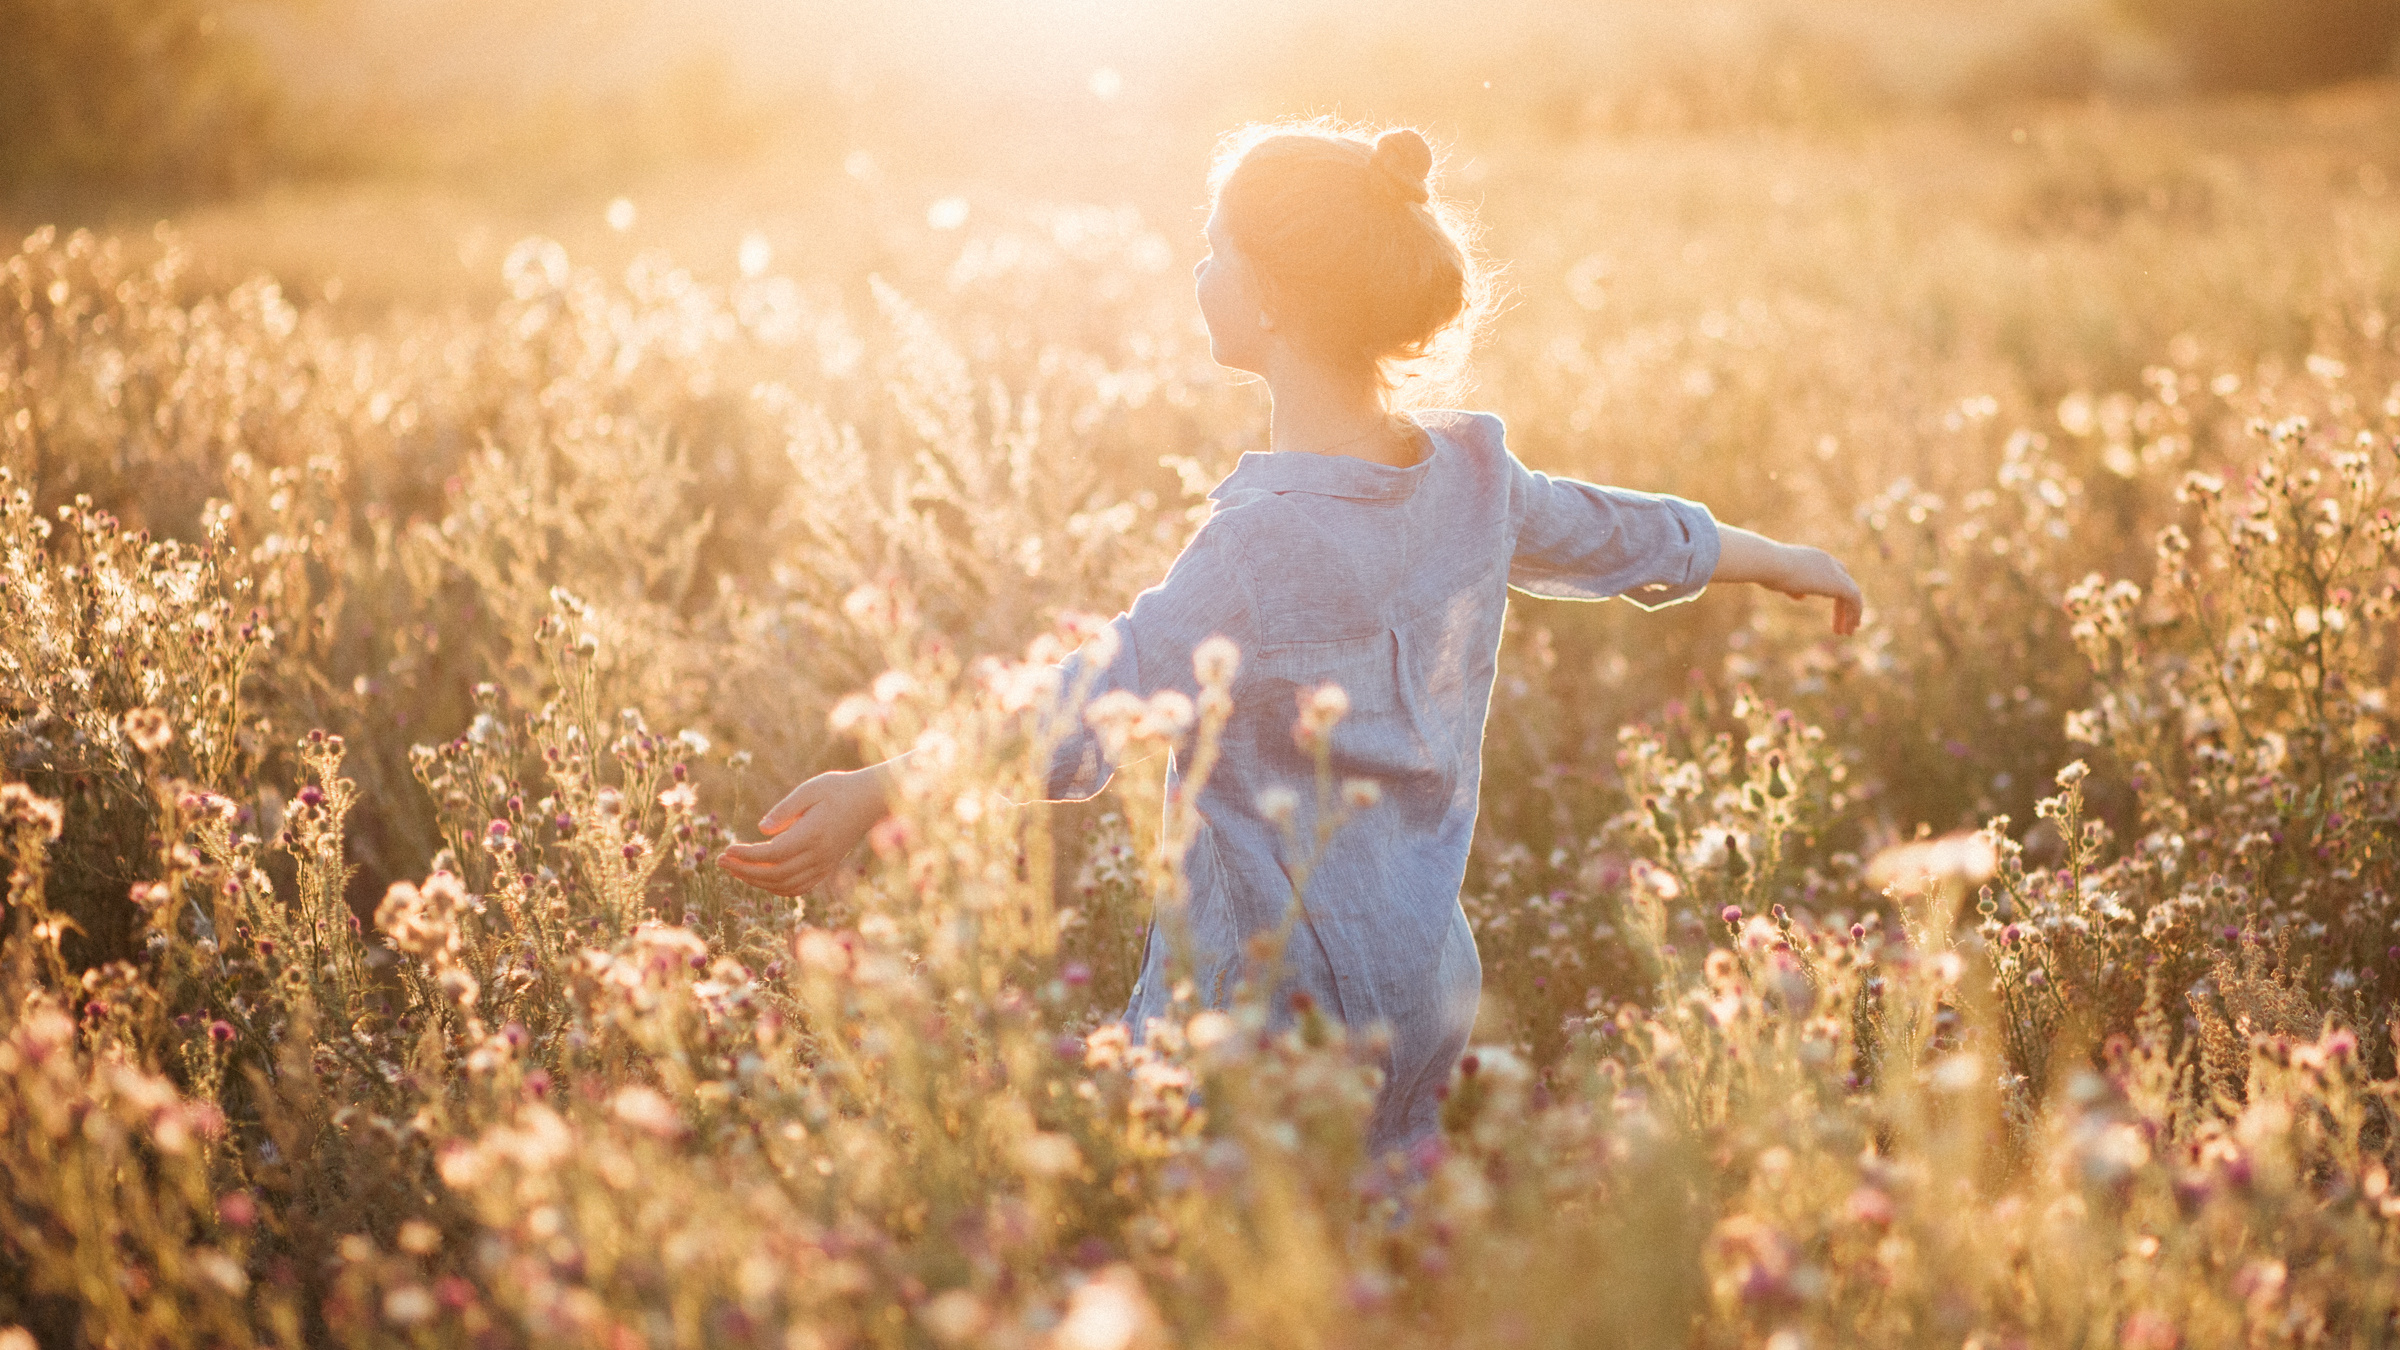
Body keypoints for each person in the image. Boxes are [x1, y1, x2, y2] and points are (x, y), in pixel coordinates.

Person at [721, 121, 1862, 1160]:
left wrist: (883, 787)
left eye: (1215, 249)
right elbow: (1624, 534)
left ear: (1270, 302)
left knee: (1232, 1277)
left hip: (1265, 1018)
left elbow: (1090, 702)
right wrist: (1782, 560)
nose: (1199, 270)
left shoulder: (1257, 548)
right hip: (1425, 995)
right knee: (1392, 1262)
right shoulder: (1472, 478)